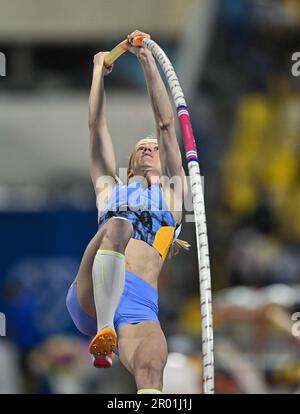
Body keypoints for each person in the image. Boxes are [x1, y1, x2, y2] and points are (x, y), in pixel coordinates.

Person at [66, 30, 189, 394]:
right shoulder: (111, 188)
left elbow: (167, 127)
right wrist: (96, 73)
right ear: (131, 166)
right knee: (118, 226)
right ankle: (105, 329)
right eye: (142, 148)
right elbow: (95, 126)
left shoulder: (172, 196)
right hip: (91, 295)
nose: (151, 149)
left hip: (138, 301)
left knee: (152, 369)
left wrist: (148, 60)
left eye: (154, 147)